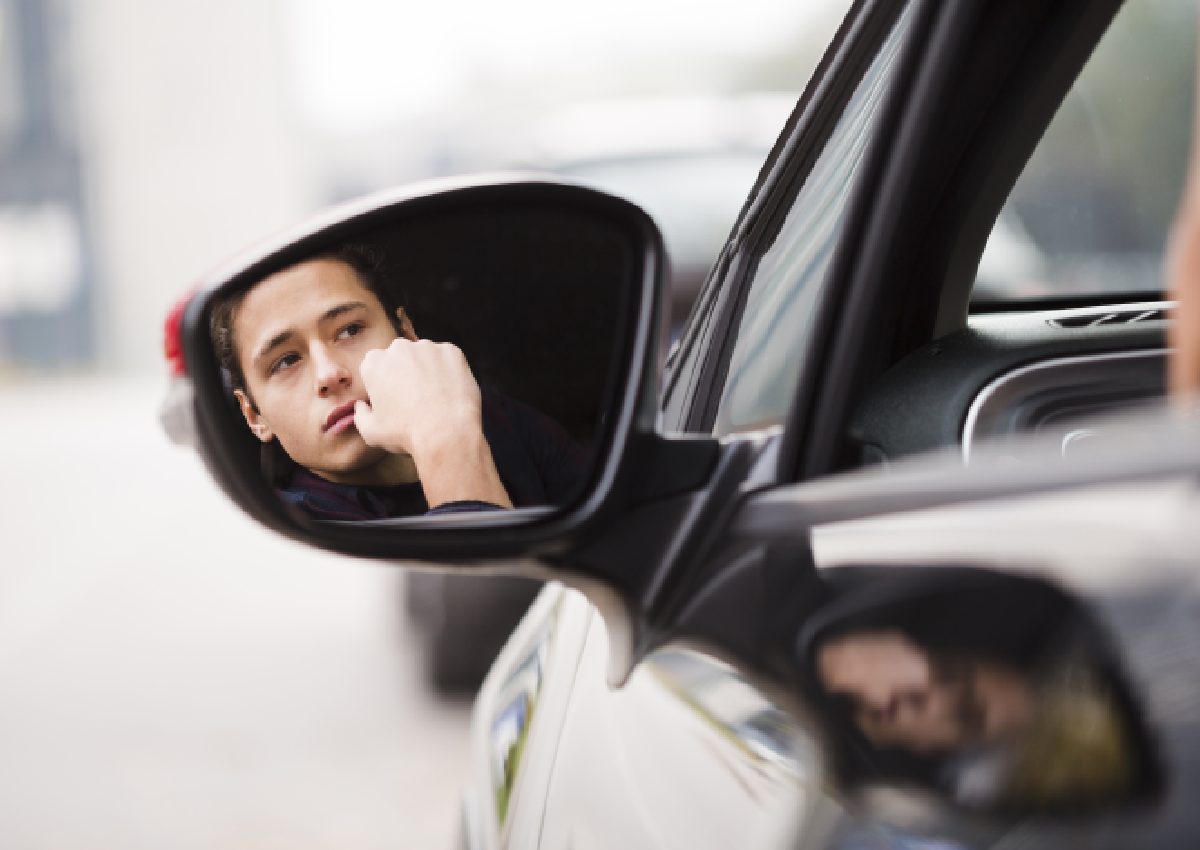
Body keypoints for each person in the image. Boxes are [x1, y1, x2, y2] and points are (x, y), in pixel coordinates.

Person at [210, 245, 585, 519]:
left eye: (349, 330)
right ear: (253, 415)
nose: (328, 375)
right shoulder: (301, 528)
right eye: (286, 361)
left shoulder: (497, 419)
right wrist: (446, 441)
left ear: (405, 332)